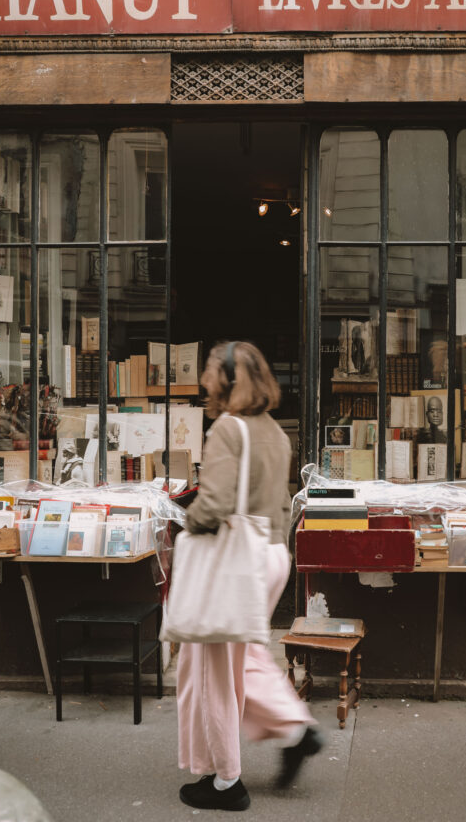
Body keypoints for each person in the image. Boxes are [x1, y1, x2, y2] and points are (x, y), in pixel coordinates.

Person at [176, 341, 323, 812]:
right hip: (271, 554)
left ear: (228, 379)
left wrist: (185, 521)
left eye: (209, 372)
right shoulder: (276, 435)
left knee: (213, 673)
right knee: (242, 655)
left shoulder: (226, 429)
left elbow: (215, 503)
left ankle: (226, 781)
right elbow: (283, 506)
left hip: (235, 558)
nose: (203, 380)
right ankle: (293, 729)